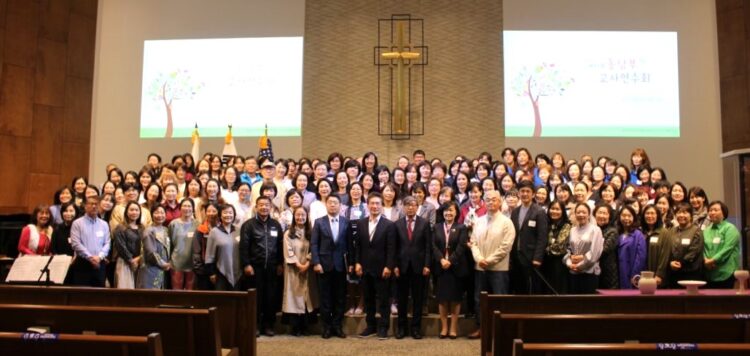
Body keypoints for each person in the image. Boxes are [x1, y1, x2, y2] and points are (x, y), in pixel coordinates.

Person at [468, 190, 516, 339]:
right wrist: (479, 259)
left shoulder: (507, 222)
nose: (491, 202)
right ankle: (482, 328)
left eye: (494, 200)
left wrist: (488, 261)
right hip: (480, 267)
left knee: (499, 299)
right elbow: (473, 242)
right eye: (488, 200)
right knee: (479, 300)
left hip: (498, 268)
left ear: (500, 202)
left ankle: (498, 331)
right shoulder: (479, 220)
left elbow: (506, 247)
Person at [354, 192, 396, 340]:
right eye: (372, 203)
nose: (375, 206)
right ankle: (370, 326)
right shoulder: (361, 223)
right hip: (365, 268)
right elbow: (357, 246)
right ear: (367, 205)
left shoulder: (389, 225)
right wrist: (357, 262)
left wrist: (389, 266)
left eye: (378, 203)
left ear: (381, 206)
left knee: (384, 300)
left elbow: (392, 248)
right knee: (369, 299)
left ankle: (383, 327)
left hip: (382, 268)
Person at [240, 196, 284, 336]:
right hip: (255, 268)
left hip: (272, 267)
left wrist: (279, 263)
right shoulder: (248, 225)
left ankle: (268, 325)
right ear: (256, 207)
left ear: (271, 207)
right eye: (261, 205)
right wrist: (246, 264)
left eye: (267, 205)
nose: (264, 207)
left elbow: (279, 245)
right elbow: (244, 247)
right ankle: (255, 326)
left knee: (270, 298)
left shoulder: (275, 225)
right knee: (256, 298)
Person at [312, 195, 352, 339]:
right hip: (324, 265)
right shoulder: (319, 222)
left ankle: (337, 326)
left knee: (340, 298)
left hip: (341, 266)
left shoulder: (346, 222)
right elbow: (314, 244)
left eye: (335, 203)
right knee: (325, 298)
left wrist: (351, 264)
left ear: (340, 205)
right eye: (330, 203)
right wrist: (316, 262)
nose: (333, 205)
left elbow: (349, 245)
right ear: (326, 205)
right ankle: (327, 327)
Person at [394, 196, 432, 339]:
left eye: (413, 205)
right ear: (403, 207)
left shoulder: (424, 223)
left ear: (417, 207)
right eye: (407, 205)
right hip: (401, 267)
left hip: (419, 266)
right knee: (402, 299)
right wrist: (395, 265)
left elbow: (428, 246)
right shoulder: (397, 224)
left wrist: (427, 264)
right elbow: (394, 247)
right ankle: (401, 328)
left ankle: (416, 328)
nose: (410, 207)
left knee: (418, 299)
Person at [432, 201, 468, 339]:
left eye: (451, 210)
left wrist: (450, 261)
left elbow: (461, 247)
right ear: (442, 213)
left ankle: (453, 328)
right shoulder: (436, 227)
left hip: (456, 267)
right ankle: (444, 328)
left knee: (455, 299)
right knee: (442, 299)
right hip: (441, 267)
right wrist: (441, 259)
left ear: (456, 212)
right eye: (446, 211)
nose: (448, 213)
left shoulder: (462, 227)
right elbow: (433, 246)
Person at [282, 206, 319, 336]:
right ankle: (295, 327)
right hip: (293, 270)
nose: (300, 218)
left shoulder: (312, 232)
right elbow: (288, 251)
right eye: (297, 215)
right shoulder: (288, 233)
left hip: (308, 269)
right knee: (294, 297)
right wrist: (298, 264)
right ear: (294, 217)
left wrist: (308, 263)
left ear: (307, 217)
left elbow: (314, 249)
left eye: (303, 215)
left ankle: (305, 326)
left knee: (307, 297)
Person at [509, 180, 548, 294]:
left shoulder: (539, 212)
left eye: (528, 191)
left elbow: (542, 237)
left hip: (531, 257)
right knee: (518, 286)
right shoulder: (515, 211)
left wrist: (537, 257)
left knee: (531, 287)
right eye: (522, 191)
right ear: (518, 193)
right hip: (516, 256)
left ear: (533, 194)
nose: (525, 194)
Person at [70, 196, 111, 287]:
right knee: (82, 296)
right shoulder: (77, 223)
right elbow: (76, 244)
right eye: (91, 204)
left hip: (100, 264)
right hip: (83, 264)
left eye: (96, 204)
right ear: (85, 206)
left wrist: (99, 257)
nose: (94, 206)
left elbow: (107, 243)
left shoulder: (104, 224)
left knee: (99, 296)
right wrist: (90, 258)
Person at [564, 203, 604, 294]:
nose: (581, 215)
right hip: (573, 272)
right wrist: (570, 263)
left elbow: (595, 253)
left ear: (589, 214)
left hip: (589, 272)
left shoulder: (596, 230)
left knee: (588, 304)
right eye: (578, 212)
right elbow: (568, 249)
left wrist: (579, 266)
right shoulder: (572, 230)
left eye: (584, 212)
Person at [703, 201, 741, 288]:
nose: (712, 212)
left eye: (715, 210)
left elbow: (727, 248)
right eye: (710, 210)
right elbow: (703, 248)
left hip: (726, 272)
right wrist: (705, 260)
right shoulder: (706, 230)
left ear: (723, 213)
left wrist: (712, 260)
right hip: (709, 272)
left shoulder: (730, 228)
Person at [667, 203, 705, 288]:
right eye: (679, 212)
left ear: (691, 216)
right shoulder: (671, 231)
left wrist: (680, 263)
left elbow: (694, 252)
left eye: (684, 212)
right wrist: (670, 262)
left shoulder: (696, 231)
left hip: (690, 274)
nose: (681, 215)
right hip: (673, 273)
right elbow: (667, 249)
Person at [205, 204, 241, 291]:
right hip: (220, 272)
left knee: (236, 300)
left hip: (238, 272)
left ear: (234, 215)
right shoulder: (214, 232)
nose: (228, 215)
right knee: (222, 301)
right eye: (225, 213)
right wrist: (211, 273)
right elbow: (209, 255)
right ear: (220, 215)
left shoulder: (239, 230)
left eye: (230, 213)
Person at [137, 205, 171, 289]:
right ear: (152, 215)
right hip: (150, 268)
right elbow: (150, 252)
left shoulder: (166, 230)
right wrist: (163, 264)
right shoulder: (148, 231)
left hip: (163, 269)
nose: (159, 215)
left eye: (162, 213)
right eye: (156, 212)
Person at [542, 200, 571, 294]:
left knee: (558, 290)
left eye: (557, 209)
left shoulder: (567, 225)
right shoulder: (545, 224)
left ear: (563, 211)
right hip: (545, 262)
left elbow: (559, 246)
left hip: (559, 263)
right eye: (552, 208)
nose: (554, 211)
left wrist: (544, 249)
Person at [112, 202, 142, 289]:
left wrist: (139, 258)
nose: (134, 212)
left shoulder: (142, 228)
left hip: (140, 262)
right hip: (125, 262)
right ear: (126, 212)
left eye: (136, 210)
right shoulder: (120, 227)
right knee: (125, 289)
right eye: (131, 210)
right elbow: (121, 246)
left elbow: (145, 245)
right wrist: (131, 260)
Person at [169, 199, 198, 290]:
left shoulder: (197, 224)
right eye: (184, 206)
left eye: (189, 206)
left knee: (190, 291)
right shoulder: (173, 224)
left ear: (193, 209)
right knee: (177, 291)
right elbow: (169, 243)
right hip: (176, 262)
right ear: (180, 208)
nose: (187, 208)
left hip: (192, 263)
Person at [616, 205, 646, 289]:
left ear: (634, 218)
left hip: (632, 274)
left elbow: (641, 257)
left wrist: (635, 275)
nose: (626, 218)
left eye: (629, 216)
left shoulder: (638, 234)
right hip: (619, 274)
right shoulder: (618, 233)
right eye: (623, 215)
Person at [641, 205, 670, 287]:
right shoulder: (641, 232)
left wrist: (659, 274)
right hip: (642, 274)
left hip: (657, 276)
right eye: (647, 213)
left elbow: (665, 256)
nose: (650, 216)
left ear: (658, 216)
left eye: (653, 213)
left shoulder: (664, 233)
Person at [193, 203, 219, 290]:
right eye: (208, 211)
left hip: (219, 268)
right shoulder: (200, 229)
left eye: (214, 211)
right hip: (204, 269)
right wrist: (199, 269)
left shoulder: (222, 228)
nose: (211, 213)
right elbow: (196, 251)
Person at [594, 204, 619, 289]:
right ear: (594, 214)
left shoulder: (613, 232)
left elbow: (604, 250)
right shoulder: (591, 230)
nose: (601, 215)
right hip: (593, 272)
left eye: (605, 213)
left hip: (608, 272)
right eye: (599, 213)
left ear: (610, 216)